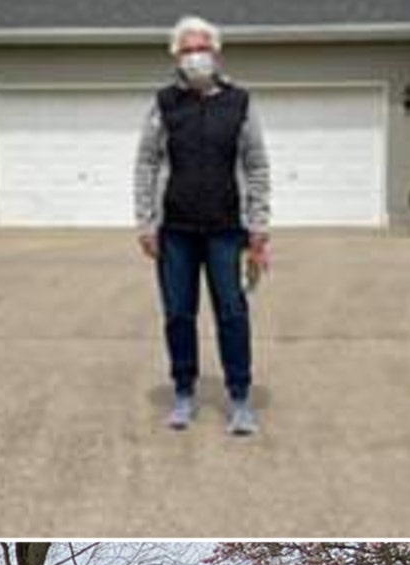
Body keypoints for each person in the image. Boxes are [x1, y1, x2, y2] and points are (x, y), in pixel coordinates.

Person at [133, 15, 272, 435]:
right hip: (175, 230)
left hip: (227, 229)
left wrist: (259, 224)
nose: (196, 56)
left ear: (216, 52)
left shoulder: (240, 103)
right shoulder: (163, 104)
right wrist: (145, 222)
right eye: (188, 49)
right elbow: (147, 161)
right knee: (178, 313)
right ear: (176, 55)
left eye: (202, 48)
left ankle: (240, 396)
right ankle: (183, 392)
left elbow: (256, 163)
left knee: (232, 311)